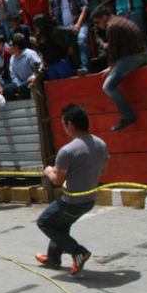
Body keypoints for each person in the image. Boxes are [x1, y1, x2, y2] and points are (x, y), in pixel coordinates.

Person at [36, 104, 108, 276]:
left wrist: (47, 171)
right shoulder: (100, 144)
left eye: (63, 124)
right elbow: (103, 170)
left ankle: (79, 252)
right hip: (89, 200)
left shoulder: (67, 151)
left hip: (71, 202)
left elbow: (57, 180)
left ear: (70, 124)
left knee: (44, 222)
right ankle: (53, 259)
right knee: (61, 224)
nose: (64, 128)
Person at [90, 5, 147, 131]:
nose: (98, 25)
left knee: (108, 86)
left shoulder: (112, 27)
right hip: (139, 55)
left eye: (97, 21)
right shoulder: (120, 20)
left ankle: (127, 115)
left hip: (133, 57)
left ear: (104, 17)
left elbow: (113, 53)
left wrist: (110, 68)